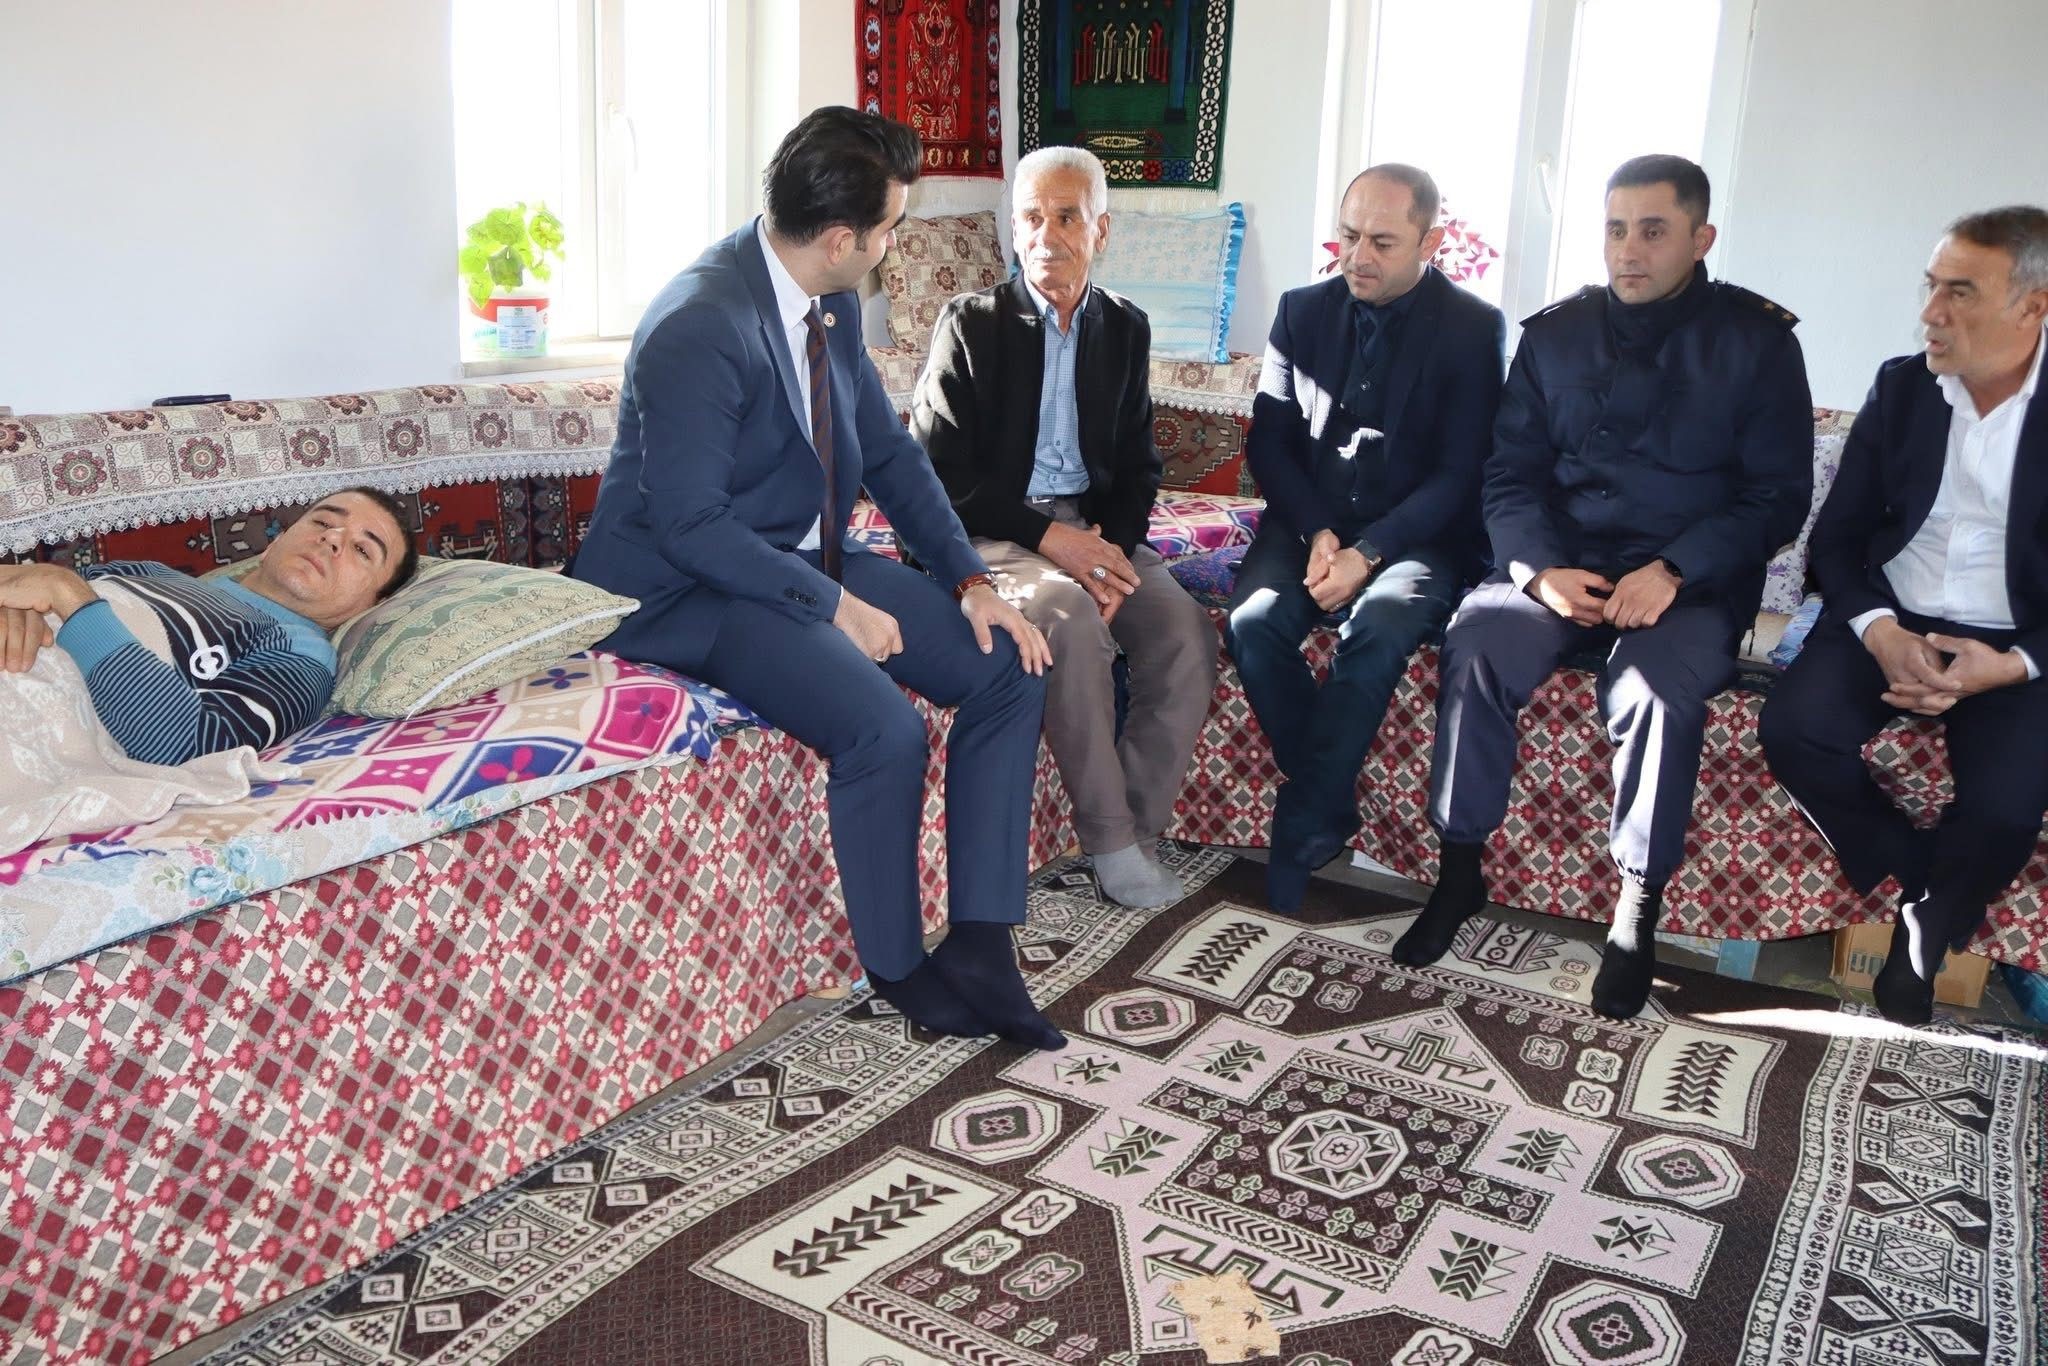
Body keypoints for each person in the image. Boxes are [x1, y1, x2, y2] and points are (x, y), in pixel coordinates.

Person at [569, 107, 1064, 1050]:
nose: (890, 249)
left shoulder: (824, 298)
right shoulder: (699, 324)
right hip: (688, 587)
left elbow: (891, 454)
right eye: (889, 231)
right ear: (841, 239)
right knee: (882, 728)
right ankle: (898, 967)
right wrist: (837, 607)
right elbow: (689, 526)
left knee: (1005, 665)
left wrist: (969, 581)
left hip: (798, 558)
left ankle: (981, 940)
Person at [1391, 154, 1813, 1020]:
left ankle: (1635, 910)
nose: (1629, 249)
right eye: (1616, 228)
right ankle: (1460, 870)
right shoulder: (1556, 335)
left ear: (1701, 238)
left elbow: (1777, 496)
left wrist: (1676, 569)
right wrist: (1535, 571)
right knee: (1478, 640)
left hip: (1685, 582)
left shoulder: (1757, 342)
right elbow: (1509, 474)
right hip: (1561, 565)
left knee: (1653, 689)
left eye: (1653, 231)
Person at [1760, 206, 2048, 1025]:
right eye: (1931, 287)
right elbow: (1837, 541)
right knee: (1794, 729)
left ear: (2033, 306)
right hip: (1891, 612)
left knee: (2006, 808)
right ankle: (1916, 871)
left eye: (1960, 292)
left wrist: (2011, 666)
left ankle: (1927, 926)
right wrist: (1880, 632)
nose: (1930, 313)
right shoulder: (1903, 386)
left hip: (2018, 638)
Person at [914, 146, 1216, 910]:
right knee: (1071, 620)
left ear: (1100, 230)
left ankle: (1135, 829)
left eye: (1067, 217)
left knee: (1184, 631)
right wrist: (1057, 545)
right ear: (1014, 231)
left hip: (1092, 527)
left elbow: (1139, 465)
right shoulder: (971, 324)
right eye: (1031, 218)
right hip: (994, 532)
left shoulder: (1124, 326)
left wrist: (1110, 553)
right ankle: (1110, 843)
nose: (1047, 236)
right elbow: (940, 475)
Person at [1221, 163, 1506, 914]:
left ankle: (1302, 820)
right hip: (1310, 520)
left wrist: (1367, 553)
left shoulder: (1473, 328)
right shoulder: (1300, 310)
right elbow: (1270, 444)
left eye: (1382, 242)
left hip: (1419, 533)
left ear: (1430, 243)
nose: (1358, 257)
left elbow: (1461, 473)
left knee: (1378, 629)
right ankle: (1330, 798)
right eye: (1349, 236)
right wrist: (1319, 531)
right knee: (1252, 624)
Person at [0, 486, 414, 763]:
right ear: (274, 542)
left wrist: (68, 595)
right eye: (322, 522)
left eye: (363, 549)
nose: (332, 538)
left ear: (370, 604)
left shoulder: (302, 658)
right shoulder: (151, 572)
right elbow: (26, 587)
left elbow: (181, 743)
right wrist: (14, 606)